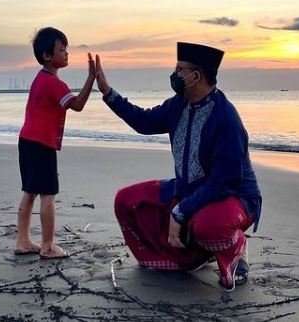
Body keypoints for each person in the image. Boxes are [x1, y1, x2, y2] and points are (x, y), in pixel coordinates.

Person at [95, 42, 262, 291]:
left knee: (207, 226)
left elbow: (225, 181)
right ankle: (187, 257)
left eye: (179, 69)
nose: (175, 75)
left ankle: (236, 246)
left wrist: (180, 211)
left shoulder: (225, 119)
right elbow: (144, 121)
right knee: (126, 200)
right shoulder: (178, 104)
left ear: (196, 76)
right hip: (189, 191)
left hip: (233, 197)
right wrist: (108, 93)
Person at [15, 27, 95, 259]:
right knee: (48, 194)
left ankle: (22, 240)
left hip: (27, 141)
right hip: (41, 144)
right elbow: (78, 104)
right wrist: (91, 78)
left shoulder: (40, 79)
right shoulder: (53, 83)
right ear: (48, 56)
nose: (67, 53)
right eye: (62, 49)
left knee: (30, 191)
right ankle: (48, 245)